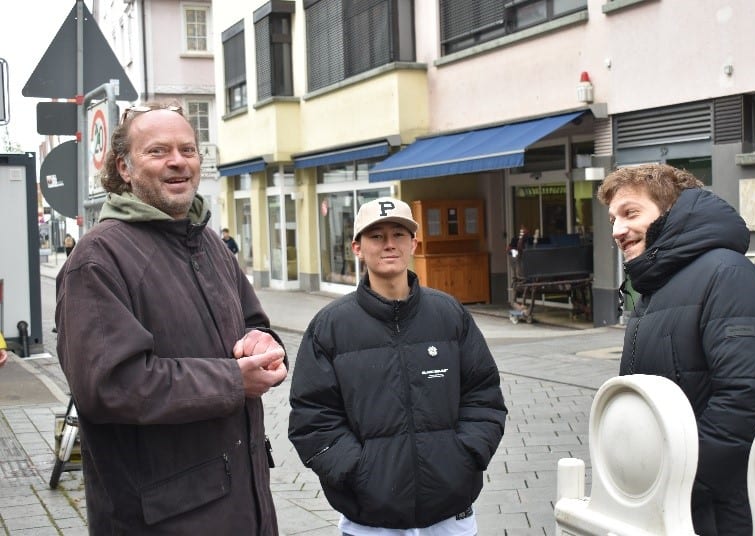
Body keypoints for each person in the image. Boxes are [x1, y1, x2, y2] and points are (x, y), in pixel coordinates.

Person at [55, 101, 288, 535]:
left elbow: (255, 322)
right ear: (124, 168)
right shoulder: (97, 259)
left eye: (188, 149)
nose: (178, 161)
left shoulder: (211, 245)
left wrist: (263, 344)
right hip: (162, 520)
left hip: (245, 505)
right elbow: (109, 387)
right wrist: (232, 380)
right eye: (158, 151)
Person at [288, 197, 507, 535]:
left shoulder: (449, 315)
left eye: (399, 234)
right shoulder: (330, 327)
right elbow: (312, 417)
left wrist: (463, 457)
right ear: (357, 248)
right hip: (369, 521)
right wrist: (358, 472)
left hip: (450, 516)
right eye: (376, 236)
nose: (389, 244)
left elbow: (483, 396)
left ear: (413, 243)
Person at [597, 164, 755, 535]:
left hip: (708, 511)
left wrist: (679, 481)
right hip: (664, 503)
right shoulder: (654, 284)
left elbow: (748, 398)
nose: (617, 230)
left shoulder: (727, 273)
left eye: (631, 213)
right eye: (613, 219)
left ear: (671, 212)